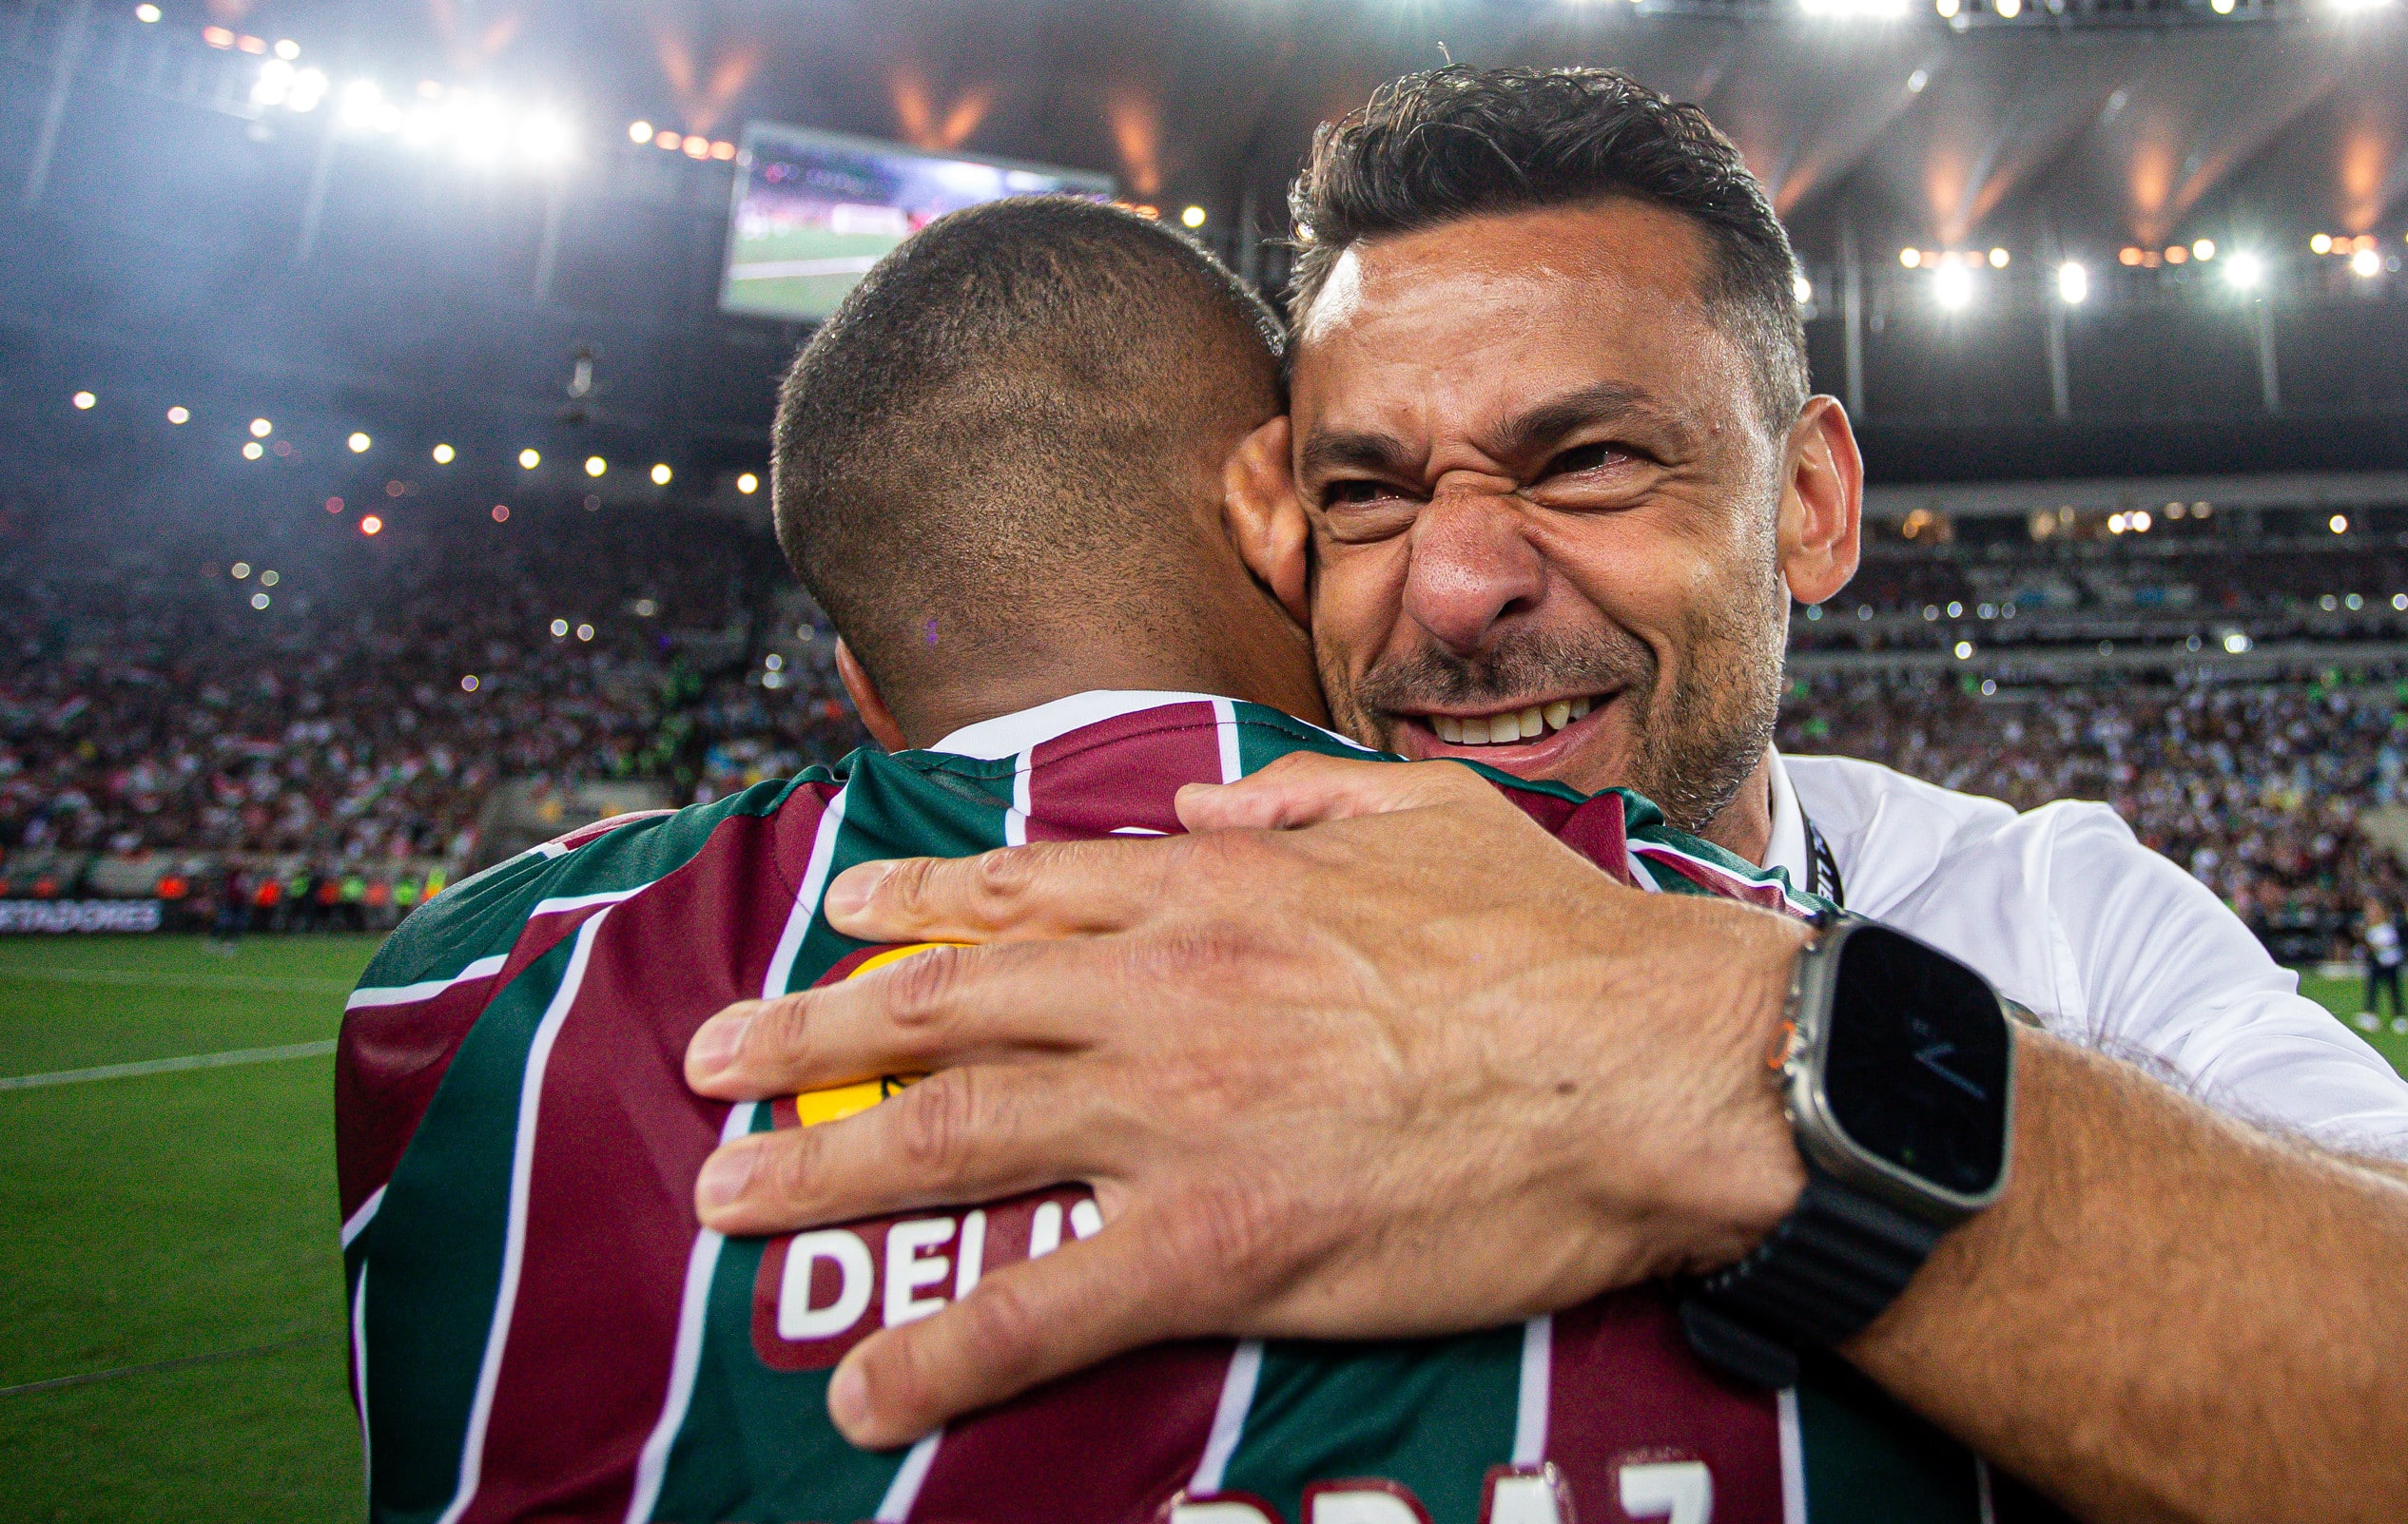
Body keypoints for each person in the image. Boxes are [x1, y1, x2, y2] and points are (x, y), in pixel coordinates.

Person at [690, 67, 2408, 1520]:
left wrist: (1739, 1059)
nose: (1459, 582)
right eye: (1365, 488)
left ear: (1806, 504)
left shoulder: (2047, 913)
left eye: (1586, 459)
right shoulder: (1070, 921)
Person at [339, 198, 1999, 1524]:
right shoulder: (1754, 958)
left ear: (854, 681)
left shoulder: (479, 995)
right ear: (1285, 523)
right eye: (1366, 493)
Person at [2355, 895, 2408, 1033]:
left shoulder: (2387, 928)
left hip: (2390, 962)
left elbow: (2384, 945)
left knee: (2394, 990)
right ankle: (2371, 1015)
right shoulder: (2372, 929)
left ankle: (2399, 1017)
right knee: (2372, 989)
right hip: (2378, 962)